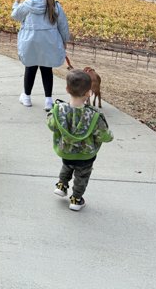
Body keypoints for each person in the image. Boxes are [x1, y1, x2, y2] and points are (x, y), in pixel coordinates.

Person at [47, 69, 113, 211]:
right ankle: (76, 199)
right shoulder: (94, 116)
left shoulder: (59, 110)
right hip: (86, 155)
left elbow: (51, 125)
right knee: (82, 176)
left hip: (66, 151)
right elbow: (104, 135)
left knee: (67, 166)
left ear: (66, 89)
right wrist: (110, 136)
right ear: (89, 92)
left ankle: (61, 185)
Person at [11, 0, 69, 111]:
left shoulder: (28, 3)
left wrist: (16, 2)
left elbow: (15, 15)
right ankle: (48, 101)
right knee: (46, 69)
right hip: (49, 41)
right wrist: (64, 40)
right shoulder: (55, 5)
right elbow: (63, 25)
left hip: (30, 41)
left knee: (30, 67)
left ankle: (26, 97)